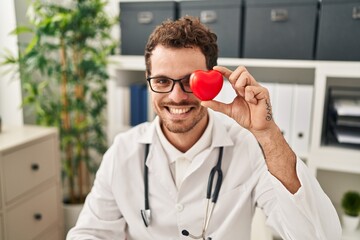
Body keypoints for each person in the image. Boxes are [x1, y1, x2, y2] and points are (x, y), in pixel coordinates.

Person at [67, 16, 341, 240]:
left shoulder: (249, 148)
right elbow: (90, 233)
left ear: (213, 81)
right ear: (148, 81)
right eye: (162, 81)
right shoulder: (122, 153)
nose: (176, 97)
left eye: (190, 81)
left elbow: (319, 235)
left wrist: (267, 133)